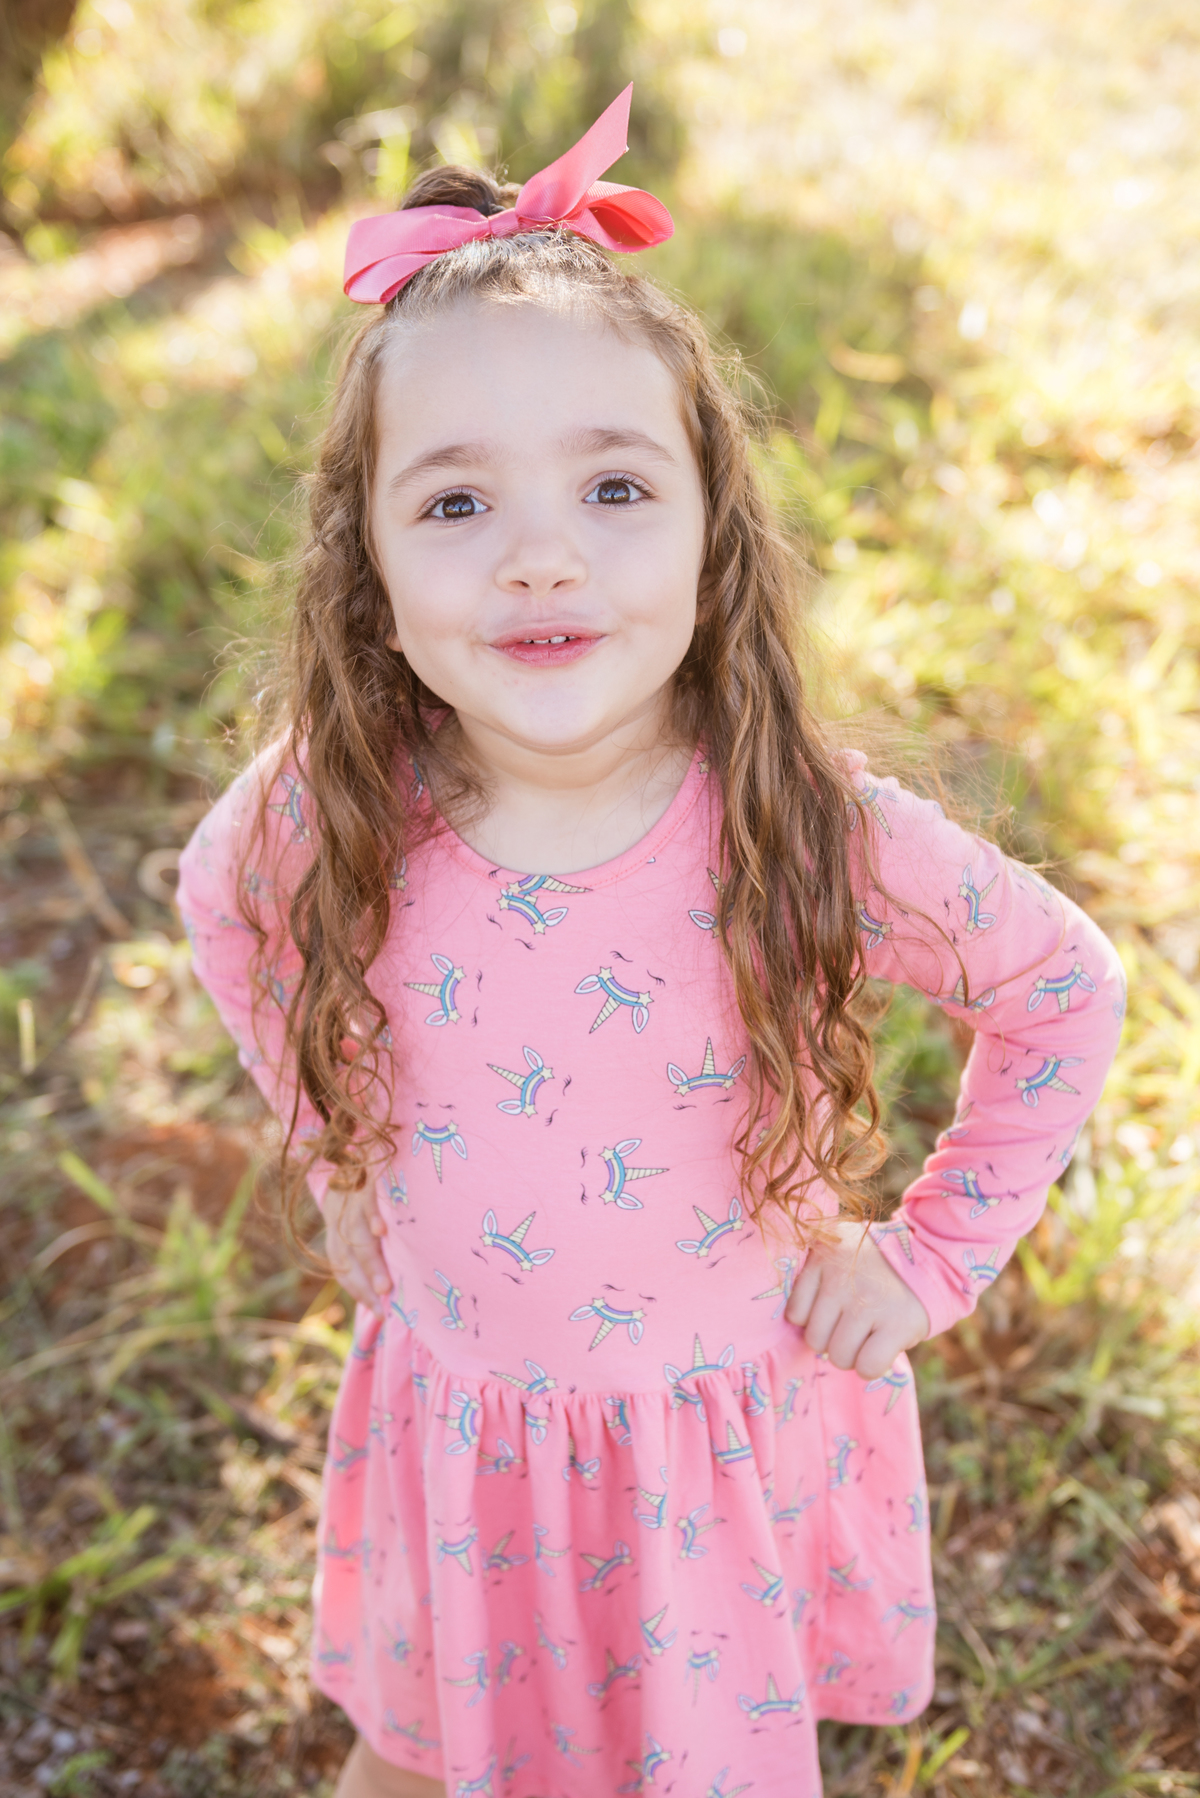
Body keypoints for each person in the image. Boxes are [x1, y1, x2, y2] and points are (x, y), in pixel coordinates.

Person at [177, 87, 1124, 1798]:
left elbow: (1062, 989)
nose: (542, 557)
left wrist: (926, 1262)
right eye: (455, 506)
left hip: (702, 1461)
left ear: (710, 527)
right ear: (368, 563)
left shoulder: (801, 824)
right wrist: (332, 1147)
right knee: (421, 1757)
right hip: (474, 1441)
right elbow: (222, 906)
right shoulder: (340, 794)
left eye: (613, 486)